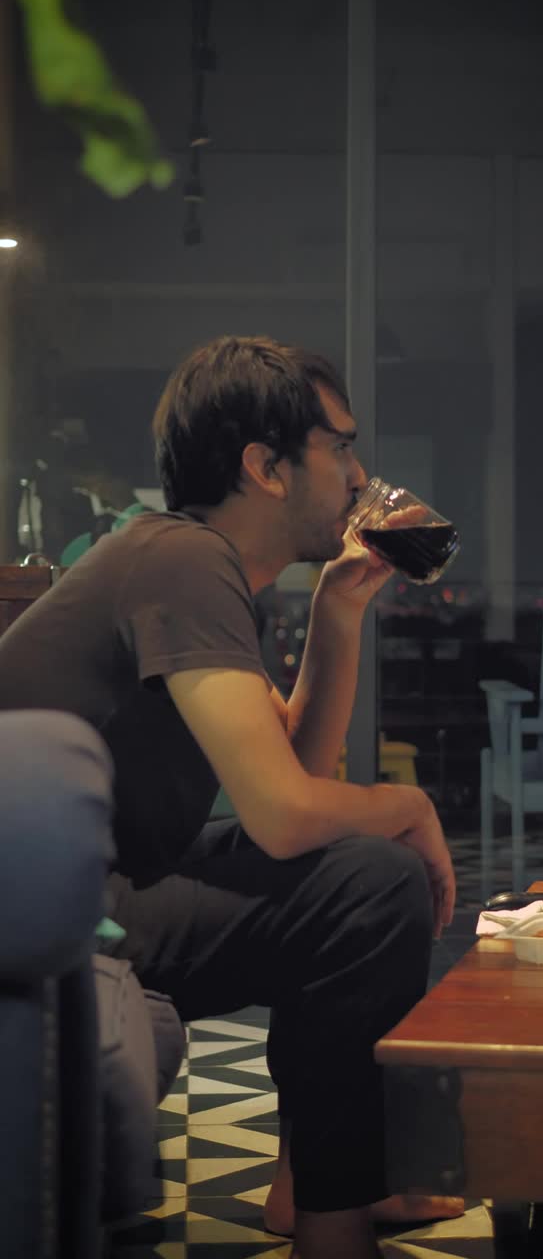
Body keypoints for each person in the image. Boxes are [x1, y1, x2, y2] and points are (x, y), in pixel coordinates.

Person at [0, 335, 459, 1259]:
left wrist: (337, 612)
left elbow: (293, 776)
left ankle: (315, 1183)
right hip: (52, 905)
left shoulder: (184, 562)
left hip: (95, 886)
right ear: (266, 466)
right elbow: (284, 816)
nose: (359, 475)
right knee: (373, 881)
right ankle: (334, 1224)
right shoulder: (182, 562)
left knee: (359, 866)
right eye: (340, 446)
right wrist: (412, 808)